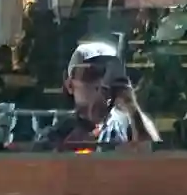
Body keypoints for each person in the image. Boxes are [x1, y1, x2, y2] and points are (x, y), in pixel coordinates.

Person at [32, 39, 160, 151]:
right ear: (70, 85)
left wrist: (131, 106)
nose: (101, 83)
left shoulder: (129, 127)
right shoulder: (57, 134)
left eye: (109, 75)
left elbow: (154, 158)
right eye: (91, 74)